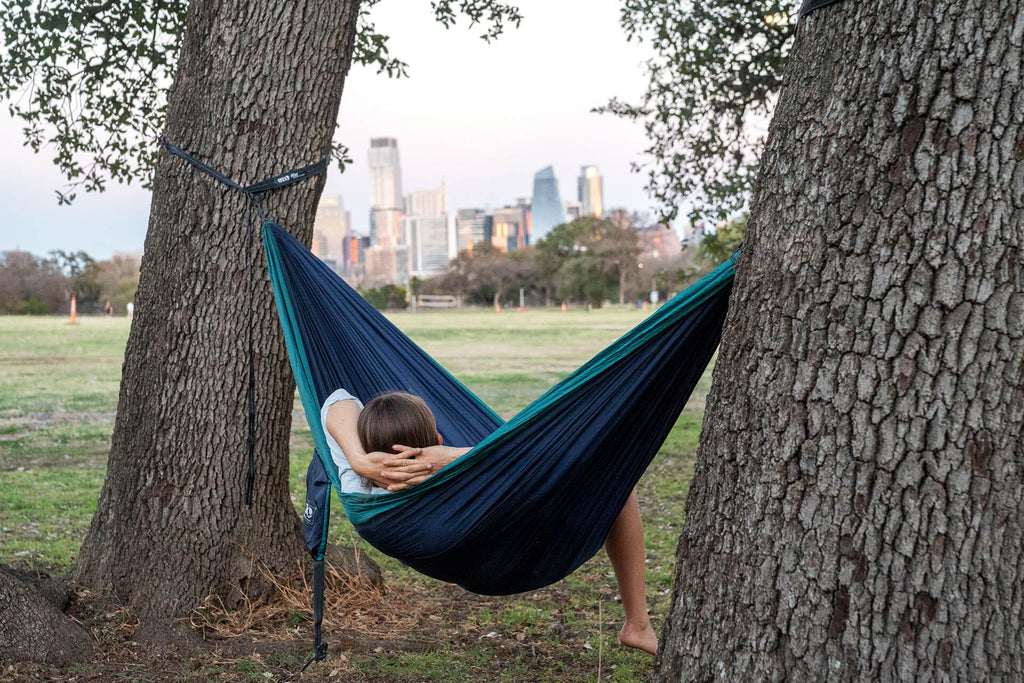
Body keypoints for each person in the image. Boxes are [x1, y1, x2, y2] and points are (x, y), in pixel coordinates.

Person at [322, 389, 659, 655]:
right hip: (520, 543)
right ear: (437, 440)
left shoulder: (360, 487)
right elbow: (537, 458)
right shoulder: (466, 480)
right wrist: (455, 458)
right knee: (617, 488)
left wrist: (358, 461)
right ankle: (637, 623)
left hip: (473, 551)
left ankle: (638, 627)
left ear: (369, 449)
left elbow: (335, 401)